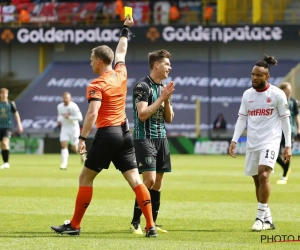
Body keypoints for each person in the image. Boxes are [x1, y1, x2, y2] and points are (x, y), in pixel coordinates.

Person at [51, 17, 158, 238]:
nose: (90, 63)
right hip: (124, 134)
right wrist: (125, 29)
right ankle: (150, 226)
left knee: (85, 178)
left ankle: (75, 225)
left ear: (99, 61)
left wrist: (82, 137)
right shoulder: (121, 73)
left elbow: (92, 113)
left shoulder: (96, 84)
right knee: (136, 180)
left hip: (108, 134)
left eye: (91, 59)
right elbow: (121, 51)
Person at [228, 54, 292, 231]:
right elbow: (242, 119)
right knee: (257, 181)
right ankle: (268, 219)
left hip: (270, 141)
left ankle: (258, 218)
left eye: (259, 75)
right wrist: (234, 140)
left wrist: (288, 146)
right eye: (253, 74)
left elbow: (286, 120)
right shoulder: (247, 95)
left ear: (267, 77)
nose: (255, 78)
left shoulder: (277, 94)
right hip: (252, 142)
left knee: (264, 175)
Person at [130, 49, 175, 234]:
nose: (169, 67)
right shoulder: (142, 86)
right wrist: (162, 98)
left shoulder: (162, 88)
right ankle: (135, 222)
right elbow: (142, 114)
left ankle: (152, 223)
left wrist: (167, 100)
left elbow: (169, 119)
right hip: (144, 138)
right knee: (148, 180)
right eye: (166, 64)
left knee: (158, 182)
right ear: (156, 65)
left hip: (161, 138)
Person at [276, 82, 300, 184]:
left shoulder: (293, 101)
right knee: (275, 154)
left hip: (290, 130)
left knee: (286, 152)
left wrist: (299, 130)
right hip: (277, 130)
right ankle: (286, 168)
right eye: (288, 89)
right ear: (283, 90)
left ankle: (284, 176)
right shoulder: (277, 100)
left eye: (290, 89)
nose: (290, 90)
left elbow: (296, 116)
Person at [57, 92, 83, 170]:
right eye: (64, 98)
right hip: (65, 128)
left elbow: (80, 118)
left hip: (74, 129)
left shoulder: (74, 106)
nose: (65, 99)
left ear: (70, 98)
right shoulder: (59, 106)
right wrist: (58, 120)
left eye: (67, 98)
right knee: (63, 144)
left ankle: (82, 155)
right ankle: (64, 164)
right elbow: (59, 115)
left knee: (74, 147)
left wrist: (70, 117)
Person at [0, 88, 23, 169]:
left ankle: (6, 163)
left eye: (6, 94)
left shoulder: (11, 103)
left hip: (7, 127)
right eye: (3, 94)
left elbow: (16, 114)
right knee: (2, 145)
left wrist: (19, 125)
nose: (4, 95)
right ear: (0, 95)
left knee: (5, 143)